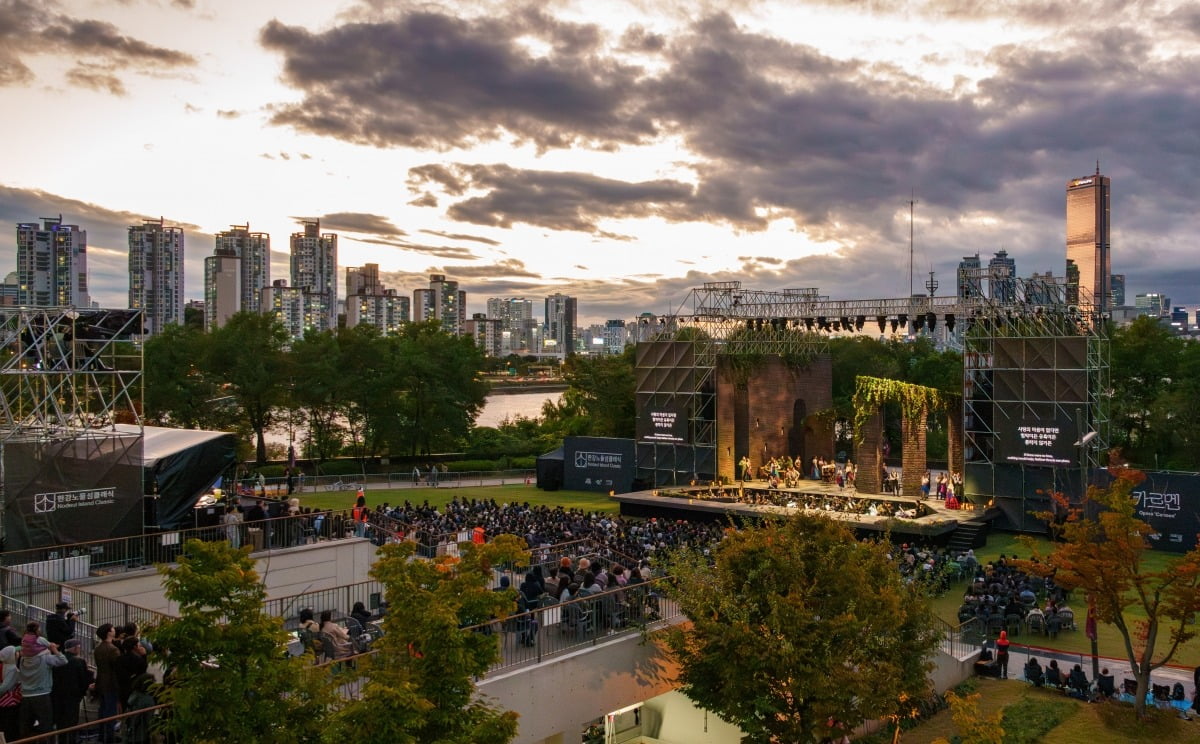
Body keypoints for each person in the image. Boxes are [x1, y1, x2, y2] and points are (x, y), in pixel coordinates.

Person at [3, 623, 67, 737]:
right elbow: (63, 661)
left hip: (26, 696)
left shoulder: (22, 659)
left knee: (25, 726)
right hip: (42, 694)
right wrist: (54, 650)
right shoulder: (45, 658)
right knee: (45, 725)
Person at [51, 638, 93, 741]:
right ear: (75, 648)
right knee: (71, 720)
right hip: (73, 695)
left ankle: (62, 739)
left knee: (60, 720)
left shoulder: (56, 659)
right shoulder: (79, 661)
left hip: (58, 694)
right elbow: (83, 679)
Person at [92, 623, 121, 742]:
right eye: (112, 628)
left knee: (103, 710)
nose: (114, 630)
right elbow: (118, 667)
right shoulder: (113, 649)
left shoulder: (98, 648)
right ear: (109, 632)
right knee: (110, 711)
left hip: (101, 681)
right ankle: (109, 736)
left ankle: (102, 735)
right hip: (111, 683)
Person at [0, 645, 21, 742]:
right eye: (15, 652)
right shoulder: (13, 669)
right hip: (11, 703)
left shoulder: (4, 666)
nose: (18, 653)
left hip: (3, 702)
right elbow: (5, 687)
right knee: (11, 727)